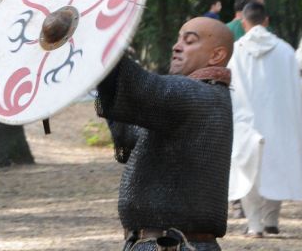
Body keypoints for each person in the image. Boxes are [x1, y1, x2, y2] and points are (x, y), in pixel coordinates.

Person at [96, 17, 234, 250]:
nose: (177, 46)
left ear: (216, 55)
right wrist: (105, 81)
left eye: (189, 41)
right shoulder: (194, 100)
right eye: (178, 39)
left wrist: (101, 43)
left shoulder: (200, 95)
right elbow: (128, 135)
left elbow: (141, 89)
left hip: (175, 245)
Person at [227, 2, 302, 238]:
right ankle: (271, 221)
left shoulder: (236, 51)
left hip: (246, 121)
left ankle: (255, 225)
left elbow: (230, 89)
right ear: (266, 21)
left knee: (247, 170)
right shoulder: (285, 50)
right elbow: (294, 92)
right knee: (277, 166)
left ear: (244, 23)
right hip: (279, 120)